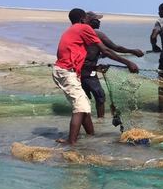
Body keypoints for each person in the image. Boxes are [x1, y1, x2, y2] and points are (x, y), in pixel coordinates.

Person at [53, 8, 139, 144]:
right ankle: (71, 142)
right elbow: (106, 49)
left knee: (84, 104)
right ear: (83, 20)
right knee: (81, 106)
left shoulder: (72, 30)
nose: (96, 21)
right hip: (67, 71)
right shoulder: (84, 29)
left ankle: (90, 136)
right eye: (90, 18)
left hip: (68, 71)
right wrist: (128, 62)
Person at [80, 11, 145, 118]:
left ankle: (86, 120)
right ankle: (100, 121)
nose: (99, 22)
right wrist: (132, 52)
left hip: (78, 70)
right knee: (100, 96)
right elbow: (114, 48)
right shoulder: (97, 34)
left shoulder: (79, 33)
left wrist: (99, 55)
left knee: (83, 98)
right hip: (88, 72)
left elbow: (90, 52)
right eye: (96, 19)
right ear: (90, 21)